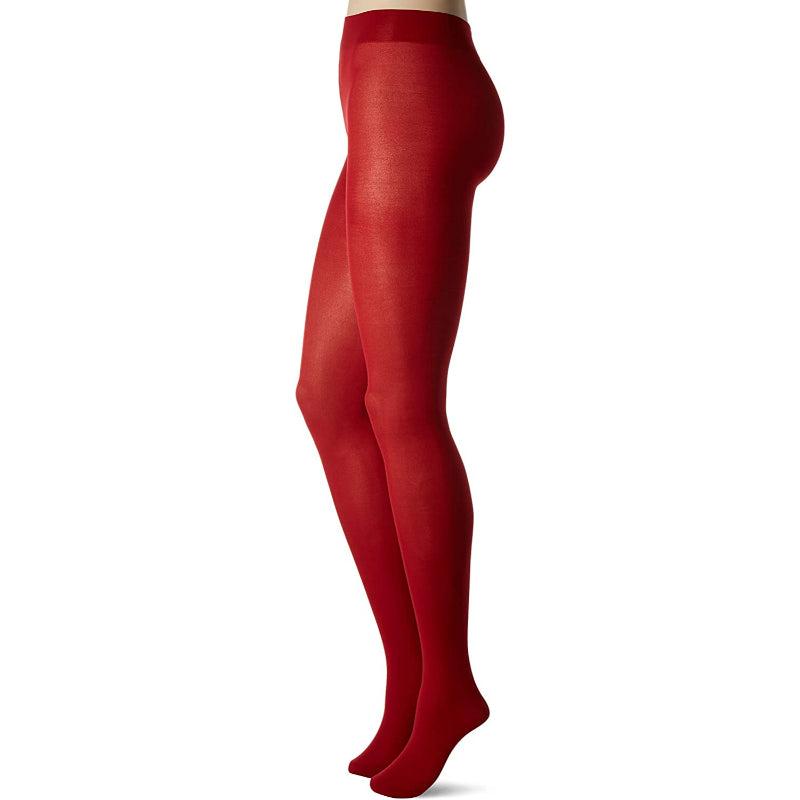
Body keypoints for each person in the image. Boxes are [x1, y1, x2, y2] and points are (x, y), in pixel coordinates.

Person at [295, 1, 504, 796]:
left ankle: (449, 684)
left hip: (408, 76)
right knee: (329, 397)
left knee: (403, 403)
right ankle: (412, 677)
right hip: (377, 76)